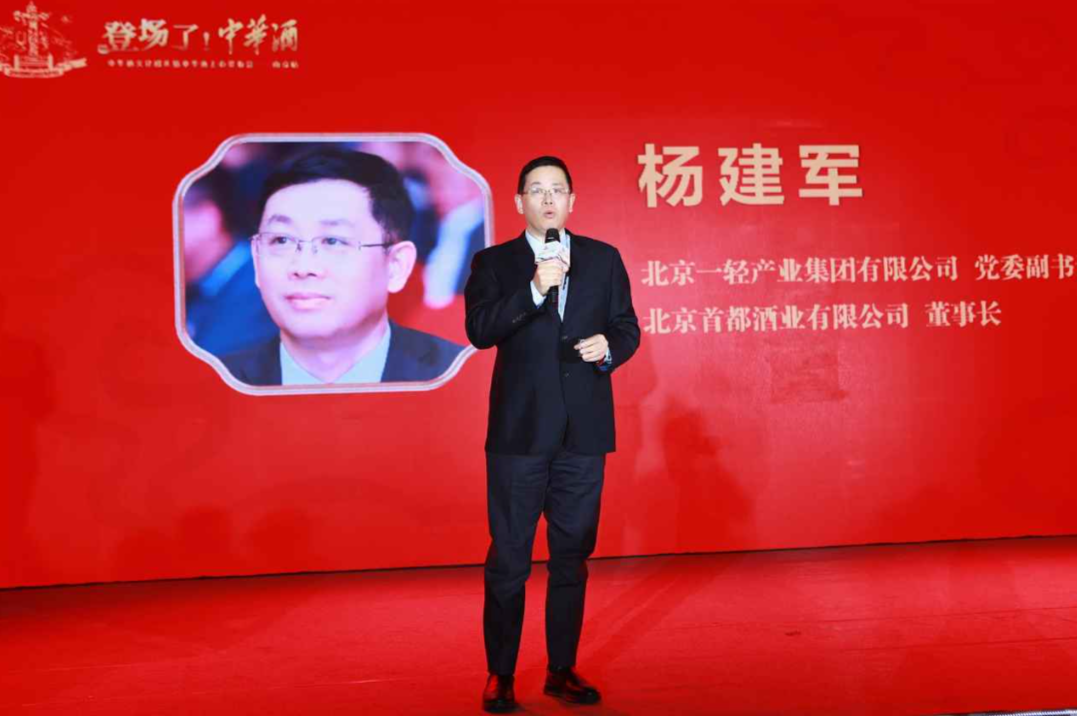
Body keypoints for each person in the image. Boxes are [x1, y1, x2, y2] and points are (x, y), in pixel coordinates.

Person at [464, 156, 640, 712]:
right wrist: (534, 290)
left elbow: (626, 327)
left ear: (572, 201)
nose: (547, 199)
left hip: (583, 435)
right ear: (519, 202)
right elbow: (479, 330)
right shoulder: (494, 263)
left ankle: (561, 669)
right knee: (509, 560)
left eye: (557, 190)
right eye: (536, 190)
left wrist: (609, 349)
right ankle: (500, 674)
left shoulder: (603, 259)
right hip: (519, 435)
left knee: (571, 557)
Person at [222, 148, 464, 386]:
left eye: (332, 241)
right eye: (282, 240)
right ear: (256, 261)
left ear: (396, 265)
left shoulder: (459, 377)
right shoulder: (218, 383)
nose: (303, 267)